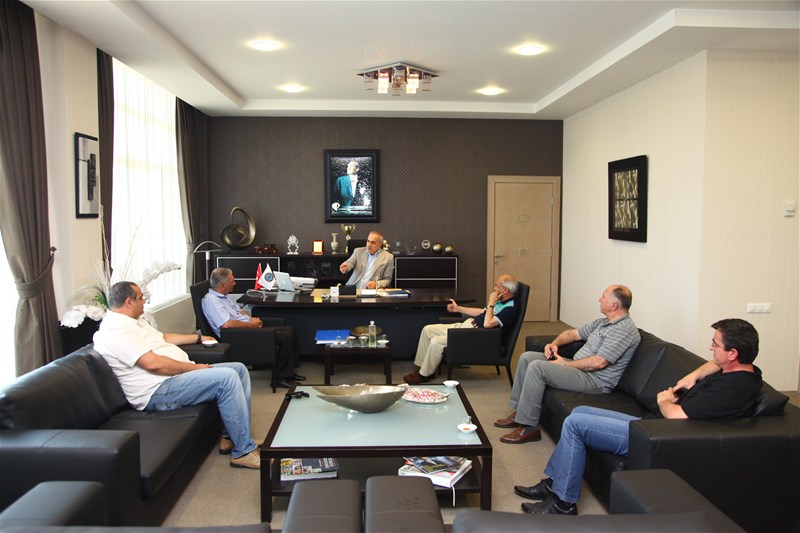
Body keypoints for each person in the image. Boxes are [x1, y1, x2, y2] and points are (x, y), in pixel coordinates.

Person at [515, 318, 764, 515]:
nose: (711, 348)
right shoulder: (745, 370)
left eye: (715, 345)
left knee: (575, 423)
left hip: (654, 437)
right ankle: (553, 483)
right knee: (579, 411)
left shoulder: (731, 390)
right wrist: (694, 375)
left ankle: (563, 503)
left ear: (733, 353)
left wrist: (664, 400)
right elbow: (714, 364)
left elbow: (676, 415)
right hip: (648, 425)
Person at [93, 281, 262, 469]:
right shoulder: (117, 330)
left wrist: (198, 337)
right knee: (227, 378)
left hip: (172, 380)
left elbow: (163, 338)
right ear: (128, 302)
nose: (144, 301)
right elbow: (154, 364)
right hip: (157, 391)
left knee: (238, 369)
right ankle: (243, 452)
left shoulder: (134, 321)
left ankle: (232, 437)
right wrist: (195, 368)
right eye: (140, 298)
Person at [495, 285, 639, 444]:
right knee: (526, 358)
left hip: (595, 380)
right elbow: (572, 334)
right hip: (578, 369)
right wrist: (554, 344)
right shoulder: (603, 322)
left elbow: (599, 363)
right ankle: (520, 412)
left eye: (603, 297)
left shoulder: (624, 330)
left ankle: (529, 427)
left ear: (614, 305)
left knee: (537, 368)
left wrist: (564, 365)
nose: (599, 299)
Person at [404, 274, 519, 385]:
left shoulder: (510, 308)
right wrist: (458, 308)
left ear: (505, 290)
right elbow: (482, 312)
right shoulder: (501, 301)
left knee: (436, 341)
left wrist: (491, 303)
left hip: (477, 335)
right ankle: (423, 368)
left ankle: (424, 375)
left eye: (497, 286)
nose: (494, 289)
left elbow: (488, 324)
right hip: (468, 326)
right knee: (428, 329)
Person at [202, 267, 303, 389]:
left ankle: (289, 373)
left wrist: (252, 319)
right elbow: (227, 324)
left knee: (290, 329)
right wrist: (251, 325)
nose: (234, 283)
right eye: (232, 281)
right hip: (238, 336)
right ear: (222, 285)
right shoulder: (212, 300)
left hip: (247, 328)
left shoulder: (223, 296)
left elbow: (239, 311)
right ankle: (280, 378)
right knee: (285, 336)